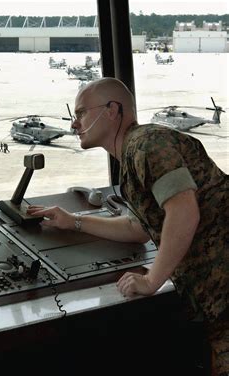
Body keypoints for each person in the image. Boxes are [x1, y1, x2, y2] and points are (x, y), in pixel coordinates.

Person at [27, 77, 228, 375]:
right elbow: (140, 227)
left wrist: (151, 280)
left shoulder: (147, 144)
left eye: (81, 113)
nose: (73, 124)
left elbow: (184, 211)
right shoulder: (133, 159)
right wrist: (74, 222)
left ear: (112, 110)